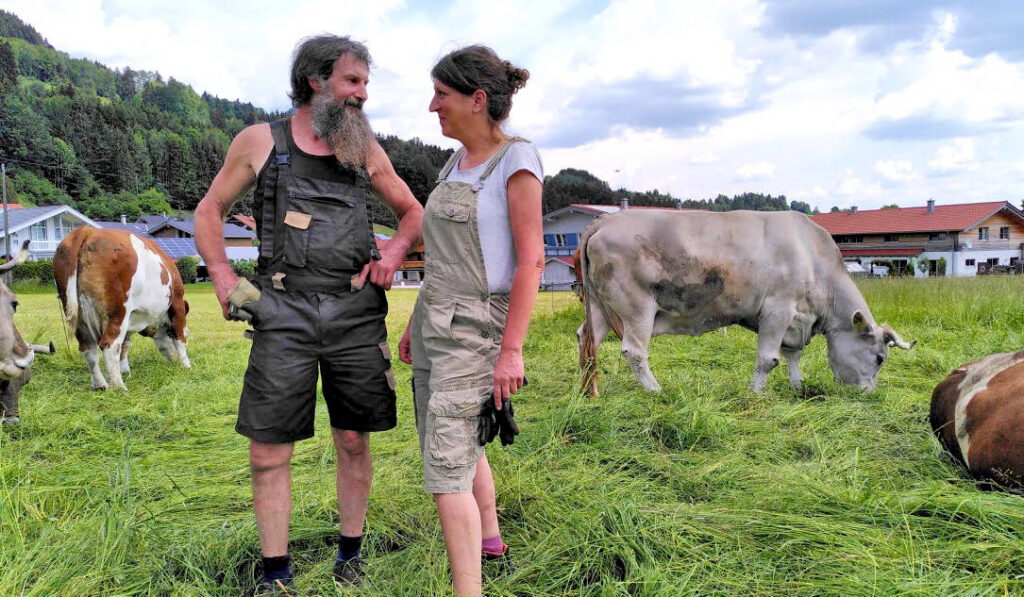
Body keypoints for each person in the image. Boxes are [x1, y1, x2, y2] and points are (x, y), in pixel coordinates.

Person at [194, 35, 423, 595]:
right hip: (282, 311)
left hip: (354, 313)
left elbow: (413, 211)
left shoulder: (362, 147)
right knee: (268, 450)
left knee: (353, 439)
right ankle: (276, 574)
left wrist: (393, 252)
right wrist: (224, 277)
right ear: (316, 80)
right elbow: (208, 209)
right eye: (352, 81)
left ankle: (351, 556)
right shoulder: (259, 142)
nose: (362, 94)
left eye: (365, 83)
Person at [397, 45, 544, 597]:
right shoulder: (453, 163)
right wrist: (415, 321)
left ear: (477, 100)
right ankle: (490, 540)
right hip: (436, 321)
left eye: (442, 95)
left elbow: (531, 259)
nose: (433, 106)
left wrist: (512, 350)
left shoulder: (517, 160)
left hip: (479, 325)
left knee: (445, 463)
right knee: (453, 439)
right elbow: (439, 258)